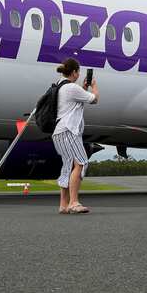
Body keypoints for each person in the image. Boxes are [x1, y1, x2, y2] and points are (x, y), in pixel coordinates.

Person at [51, 57, 98, 215]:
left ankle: (63, 204)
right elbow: (94, 99)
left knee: (67, 167)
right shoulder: (71, 88)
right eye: (78, 72)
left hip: (58, 132)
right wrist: (94, 86)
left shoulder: (60, 86)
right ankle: (74, 202)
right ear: (74, 72)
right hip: (69, 131)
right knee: (82, 163)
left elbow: (73, 104)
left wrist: (83, 88)